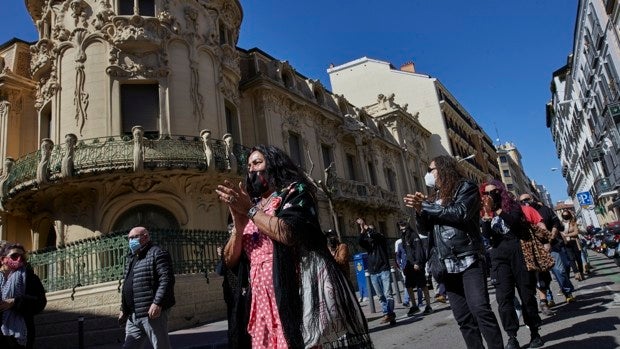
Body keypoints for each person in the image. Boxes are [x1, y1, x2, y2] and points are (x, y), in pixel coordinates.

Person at [216, 145, 372, 348]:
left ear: (273, 163)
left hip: (293, 293)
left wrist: (250, 210)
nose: (252, 169)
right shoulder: (250, 203)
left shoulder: (294, 192)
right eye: (248, 166)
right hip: (260, 301)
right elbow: (229, 260)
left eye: (257, 163)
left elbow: (287, 233)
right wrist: (238, 223)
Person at [405, 155, 503, 349]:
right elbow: (425, 230)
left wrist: (425, 206)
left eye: (431, 169)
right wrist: (419, 210)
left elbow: (460, 213)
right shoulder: (433, 197)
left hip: (468, 257)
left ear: (443, 169)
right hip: (445, 263)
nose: (428, 174)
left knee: (480, 309)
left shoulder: (466, 187)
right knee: (463, 318)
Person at [480, 180, 545, 349]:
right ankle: (511, 336)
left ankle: (535, 333)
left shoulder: (513, 206)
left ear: (500, 192)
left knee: (526, 295)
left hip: (518, 251)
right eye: (486, 193)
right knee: (504, 299)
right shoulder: (486, 211)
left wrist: (498, 210)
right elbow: (486, 235)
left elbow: (514, 223)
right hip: (499, 256)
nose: (489, 196)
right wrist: (487, 216)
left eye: (493, 192)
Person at [119, 227, 176, 349]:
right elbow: (128, 285)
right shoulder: (132, 257)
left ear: (145, 236)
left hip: (152, 313)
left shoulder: (158, 253)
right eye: (129, 238)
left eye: (134, 237)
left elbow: (166, 280)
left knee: (161, 346)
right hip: (133, 316)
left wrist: (157, 303)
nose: (130, 241)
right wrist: (123, 308)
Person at [0, 243, 47, 349]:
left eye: (22, 256)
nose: (19, 259)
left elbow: (40, 302)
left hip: (19, 335)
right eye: (14, 256)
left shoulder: (30, 278)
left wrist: (15, 301)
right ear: (3, 259)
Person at [518, 194, 558, 316]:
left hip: (535, 247)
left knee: (542, 276)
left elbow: (541, 225)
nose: (525, 202)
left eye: (527, 199)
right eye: (522, 201)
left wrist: (546, 241)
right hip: (518, 250)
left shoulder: (528, 210)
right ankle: (529, 307)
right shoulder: (504, 213)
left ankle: (543, 302)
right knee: (526, 280)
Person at [357, 217, 396, 325]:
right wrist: (362, 230)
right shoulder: (368, 244)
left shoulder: (381, 239)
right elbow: (360, 241)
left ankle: (388, 313)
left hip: (384, 269)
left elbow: (374, 234)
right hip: (373, 271)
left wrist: (367, 227)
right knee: (380, 296)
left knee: (388, 293)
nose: (369, 234)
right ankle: (388, 314)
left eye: (370, 231)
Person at [397, 221, 433, 316]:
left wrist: (417, 262)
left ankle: (428, 306)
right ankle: (414, 306)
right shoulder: (403, 237)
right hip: (408, 265)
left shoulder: (413, 235)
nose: (402, 229)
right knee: (408, 286)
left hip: (416, 264)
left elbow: (418, 249)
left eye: (404, 227)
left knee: (422, 285)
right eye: (401, 228)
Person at [561, 210, 585, 281]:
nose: (565, 216)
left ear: (569, 215)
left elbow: (576, 232)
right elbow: (561, 233)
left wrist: (567, 235)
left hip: (575, 242)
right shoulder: (562, 224)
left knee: (578, 259)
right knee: (571, 258)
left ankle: (581, 273)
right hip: (567, 243)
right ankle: (576, 273)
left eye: (566, 215)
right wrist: (564, 236)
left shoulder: (573, 222)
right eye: (564, 215)